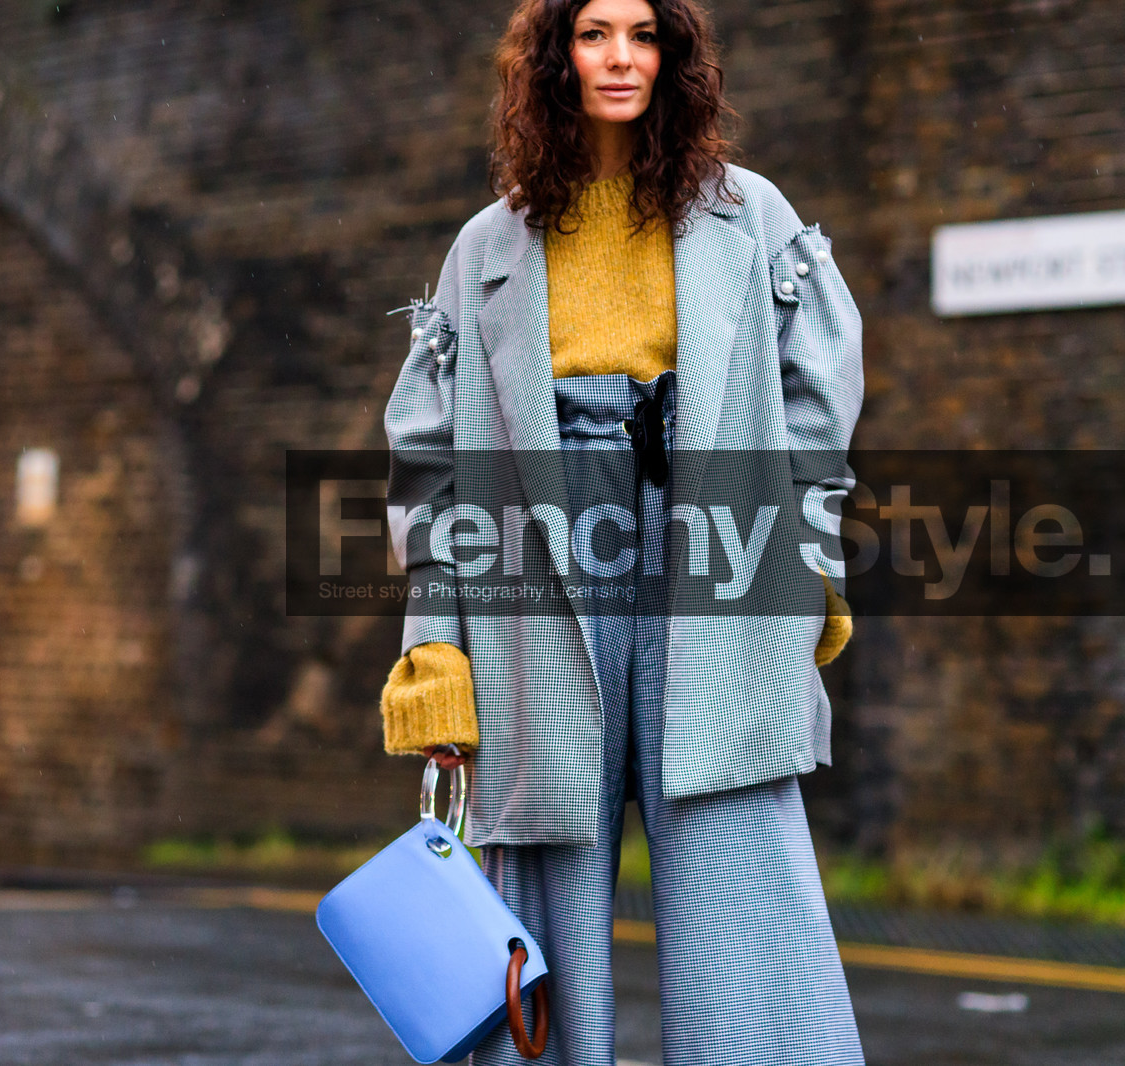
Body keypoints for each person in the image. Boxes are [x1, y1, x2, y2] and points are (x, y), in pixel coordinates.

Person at [379, 0, 865, 1063]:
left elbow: (820, 397)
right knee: (542, 863)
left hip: (714, 556)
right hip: (542, 566)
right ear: (555, 56)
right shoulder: (488, 244)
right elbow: (431, 464)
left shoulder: (751, 215)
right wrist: (435, 643)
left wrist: (811, 557)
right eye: (594, 33)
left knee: (743, 858)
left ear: (675, 54)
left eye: (642, 34)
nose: (619, 58)